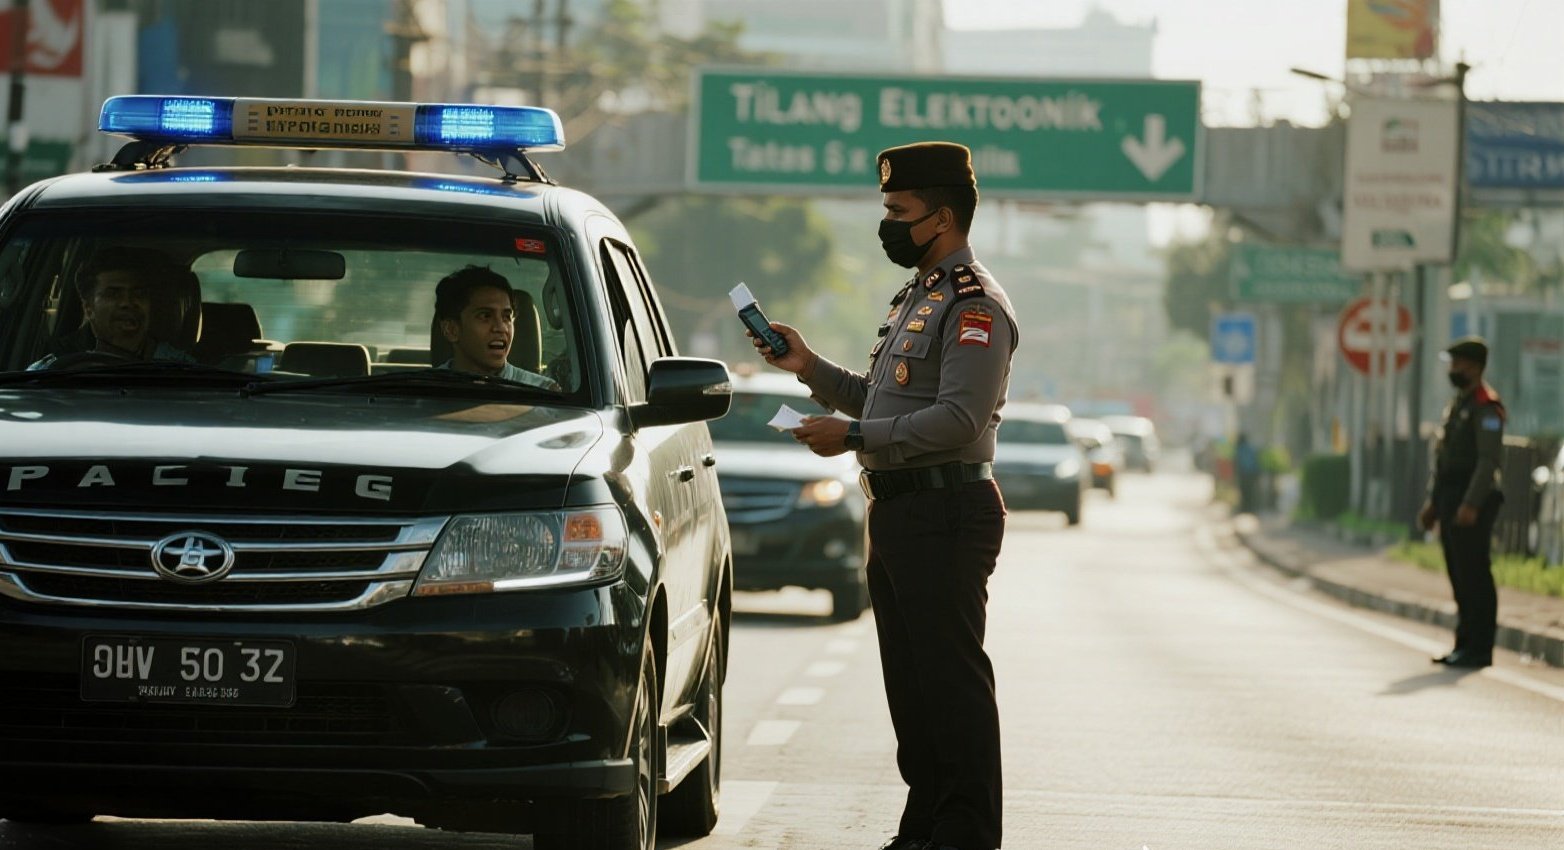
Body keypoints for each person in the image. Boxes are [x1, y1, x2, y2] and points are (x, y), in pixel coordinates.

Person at [750, 142, 1017, 850]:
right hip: (900, 511)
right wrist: (808, 366)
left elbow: (959, 419)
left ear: (943, 215)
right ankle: (925, 824)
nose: (889, 223)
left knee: (950, 686)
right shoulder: (920, 296)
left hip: (945, 511)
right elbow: (883, 400)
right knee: (913, 690)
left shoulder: (975, 305)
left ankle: (964, 833)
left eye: (900, 211)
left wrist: (857, 435)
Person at [1418, 337, 1504, 669]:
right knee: (1458, 574)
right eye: (1452, 364)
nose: (1454, 370)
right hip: (1451, 498)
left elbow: (1487, 461)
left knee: (1474, 573)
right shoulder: (1460, 404)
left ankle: (1480, 648)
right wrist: (1433, 503)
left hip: (1474, 500)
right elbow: (1444, 461)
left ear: (1477, 367)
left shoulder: (1486, 406)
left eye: (1459, 364)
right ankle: (1464, 643)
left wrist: (1471, 504)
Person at [29, 247, 197, 370]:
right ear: (89, 308)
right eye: (113, 294)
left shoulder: (183, 370)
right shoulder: (54, 368)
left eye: (138, 294)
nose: (128, 302)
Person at [433, 265, 558, 390]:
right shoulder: (423, 392)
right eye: (485, 316)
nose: (501, 328)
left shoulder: (544, 393)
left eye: (506, 317)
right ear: (451, 330)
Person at [1235, 432, 1261, 514]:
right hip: (1252, 473)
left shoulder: (1240, 449)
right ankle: (1250, 508)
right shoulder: (1251, 448)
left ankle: (1245, 508)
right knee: (1251, 492)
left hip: (1244, 474)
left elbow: (1238, 462)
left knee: (1244, 491)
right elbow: (1256, 461)